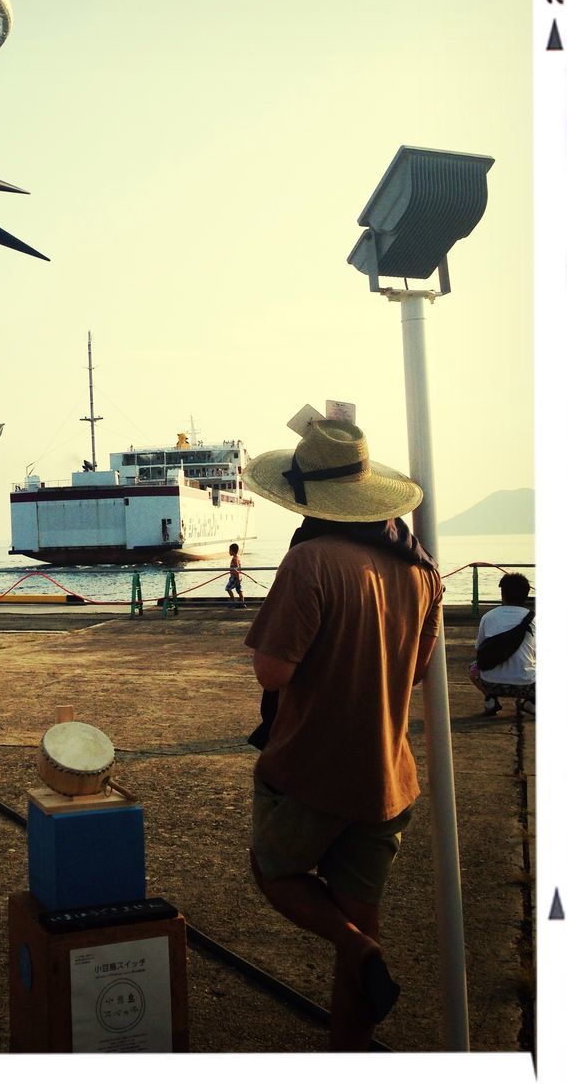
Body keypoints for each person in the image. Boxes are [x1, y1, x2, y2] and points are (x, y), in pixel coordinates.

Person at [241, 418, 442, 1051]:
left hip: (310, 768)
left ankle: (353, 947)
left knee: (274, 871)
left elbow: (272, 669)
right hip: (386, 776)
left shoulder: (312, 561)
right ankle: (350, 1042)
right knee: (363, 916)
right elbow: (419, 673)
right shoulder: (421, 570)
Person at [469, 572, 535, 716]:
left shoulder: (489, 617)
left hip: (491, 682)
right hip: (526, 685)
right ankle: (532, 702)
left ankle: (490, 699)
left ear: (502, 593)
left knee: (473, 668)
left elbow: (479, 648)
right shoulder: (533, 619)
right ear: (526, 595)